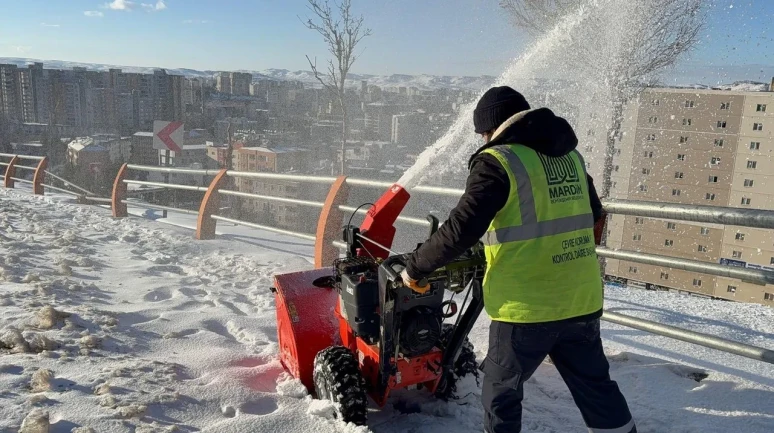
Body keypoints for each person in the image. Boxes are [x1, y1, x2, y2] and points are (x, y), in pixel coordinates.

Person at [400, 86, 636, 433]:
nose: (483, 138)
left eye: (483, 132)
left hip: (525, 307)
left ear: (493, 127)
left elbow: (460, 229)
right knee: (596, 388)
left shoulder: (498, 161)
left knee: (501, 392)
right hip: (580, 299)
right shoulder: (571, 158)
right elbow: (593, 215)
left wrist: (415, 267)